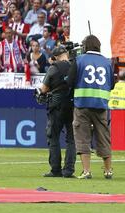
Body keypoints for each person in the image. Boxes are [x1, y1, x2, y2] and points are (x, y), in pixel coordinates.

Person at [67, 35, 116, 179]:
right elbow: (112, 84)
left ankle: (87, 171)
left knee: (82, 137)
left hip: (82, 105)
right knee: (104, 137)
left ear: (85, 47)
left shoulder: (79, 60)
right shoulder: (107, 63)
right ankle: (108, 171)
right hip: (100, 105)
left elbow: (69, 81)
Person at [39, 46, 76, 178]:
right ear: (65, 54)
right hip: (72, 106)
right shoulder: (74, 66)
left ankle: (56, 170)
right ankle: (69, 170)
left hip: (56, 106)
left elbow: (43, 89)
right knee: (72, 139)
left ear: (54, 57)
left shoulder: (53, 68)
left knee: (53, 137)